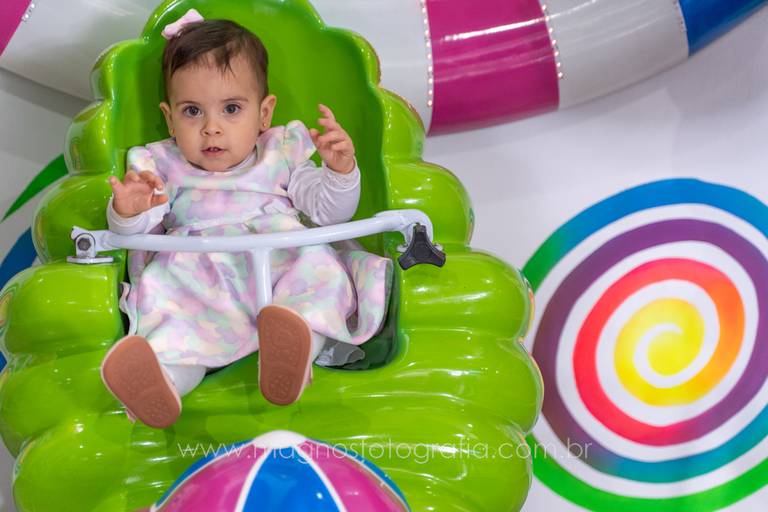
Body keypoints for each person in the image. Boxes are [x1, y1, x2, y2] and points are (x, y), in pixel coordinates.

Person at [100, 9, 391, 429]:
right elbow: (138, 233)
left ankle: (294, 354)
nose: (211, 128)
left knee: (321, 276)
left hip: (281, 264)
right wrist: (130, 211)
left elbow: (328, 213)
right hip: (199, 279)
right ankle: (162, 383)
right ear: (169, 118)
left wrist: (340, 172)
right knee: (174, 324)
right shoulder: (157, 165)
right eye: (192, 112)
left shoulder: (281, 151)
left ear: (264, 113)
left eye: (231, 108)